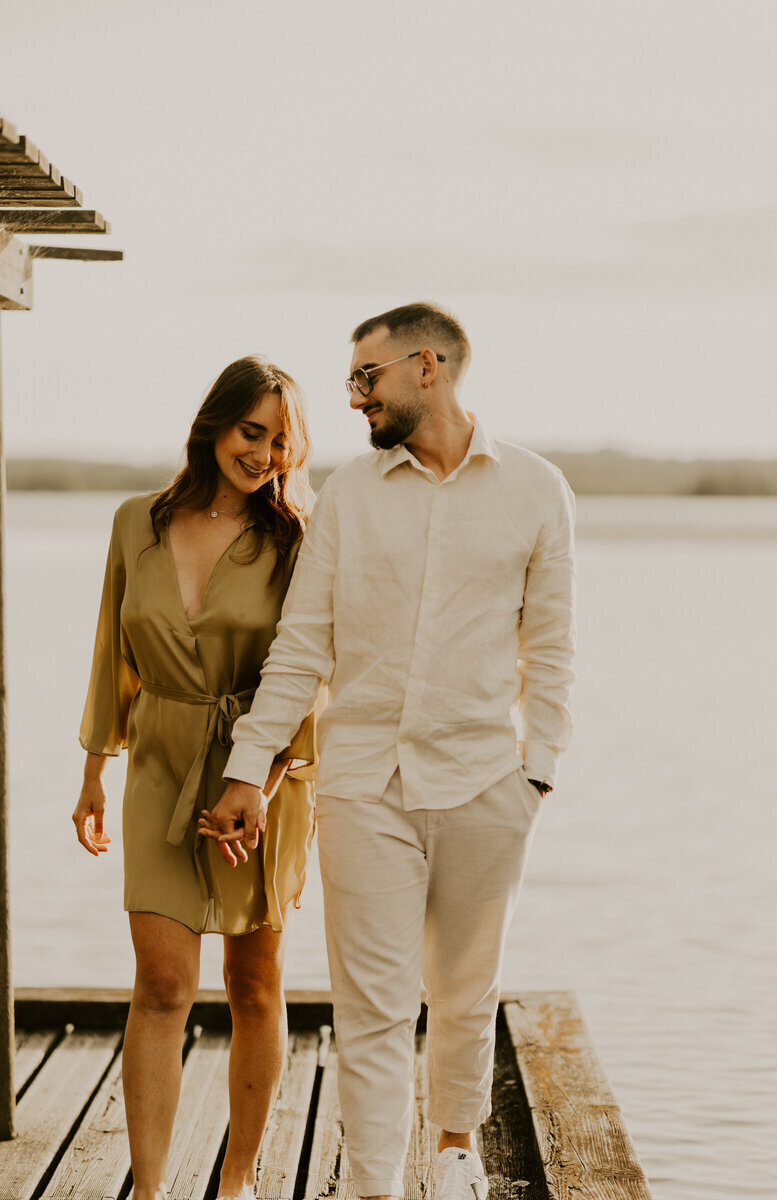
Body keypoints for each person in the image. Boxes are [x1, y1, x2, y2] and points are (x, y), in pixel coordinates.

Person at [204, 303, 577, 1200]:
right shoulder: (347, 497)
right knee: (369, 1010)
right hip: (363, 783)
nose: (353, 397)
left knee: (462, 992)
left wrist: (539, 771)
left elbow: (553, 646)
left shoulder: (536, 489)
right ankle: (375, 1185)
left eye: (365, 377)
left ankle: (454, 1154)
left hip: (488, 780)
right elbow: (302, 647)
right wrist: (248, 767)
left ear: (426, 367)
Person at [72, 356, 316, 1200]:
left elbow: (312, 670)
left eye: (282, 442)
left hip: (262, 776)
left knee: (254, 982)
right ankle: (148, 1190)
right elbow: (114, 650)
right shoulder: (133, 522)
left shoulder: (297, 540)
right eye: (253, 433)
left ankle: (240, 1179)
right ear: (214, 422)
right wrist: (96, 767)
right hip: (159, 763)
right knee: (163, 980)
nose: (264, 455)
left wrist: (271, 782)